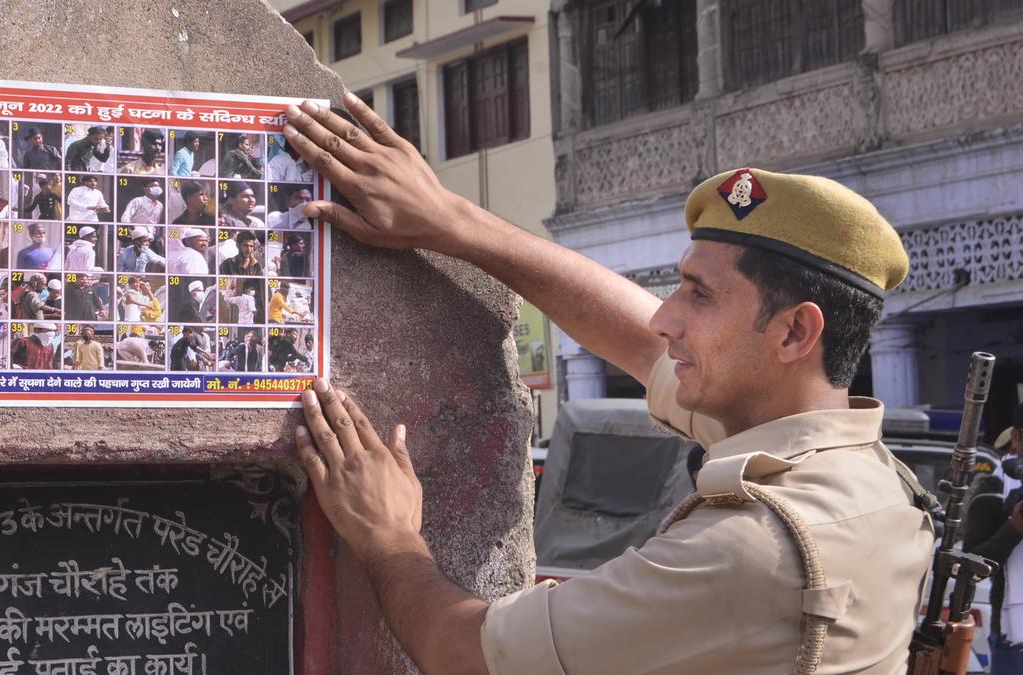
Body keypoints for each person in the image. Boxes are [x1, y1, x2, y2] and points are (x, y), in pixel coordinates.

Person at [281, 95, 935, 673]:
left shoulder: (746, 550)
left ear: (794, 334)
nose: (665, 316)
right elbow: (633, 335)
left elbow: (462, 652)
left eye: (699, 295)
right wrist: (450, 220)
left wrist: (388, 532)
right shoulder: (866, 473)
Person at [966, 402, 1023, 672]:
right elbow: (969, 566)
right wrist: (1013, 528)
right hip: (1014, 641)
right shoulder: (992, 492)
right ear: (1017, 437)